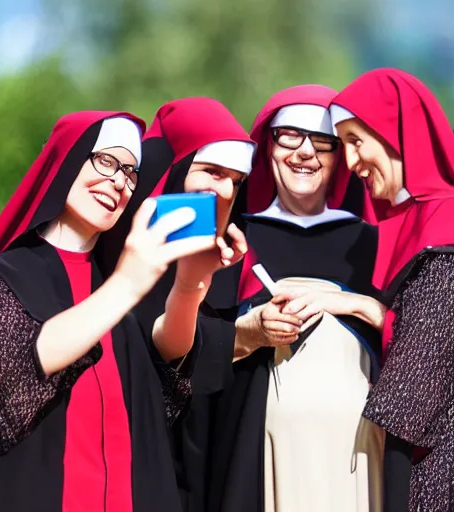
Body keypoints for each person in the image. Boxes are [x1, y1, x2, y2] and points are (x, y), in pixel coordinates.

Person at [0, 110, 241, 512]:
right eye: (106, 161)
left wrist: (190, 283)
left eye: (131, 172)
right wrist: (130, 280)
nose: (119, 181)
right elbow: (18, 366)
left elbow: (163, 375)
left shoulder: (112, 284)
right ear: (68, 160)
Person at [207, 85, 387, 512]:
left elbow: (414, 332)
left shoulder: (373, 240)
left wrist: (352, 303)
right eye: (290, 135)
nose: (305, 152)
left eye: (322, 141)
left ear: (340, 153)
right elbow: (190, 347)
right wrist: (252, 329)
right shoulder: (233, 236)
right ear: (267, 145)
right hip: (257, 455)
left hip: (360, 455)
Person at [331, 67, 454, 512]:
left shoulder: (444, 232)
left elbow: (410, 397)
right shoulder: (421, 221)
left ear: (394, 131)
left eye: (356, 141)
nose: (348, 163)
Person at [131, 97, 257, 512]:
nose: (223, 190)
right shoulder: (107, 258)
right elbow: (161, 350)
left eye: (236, 181)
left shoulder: (226, 265)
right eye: (213, 171)